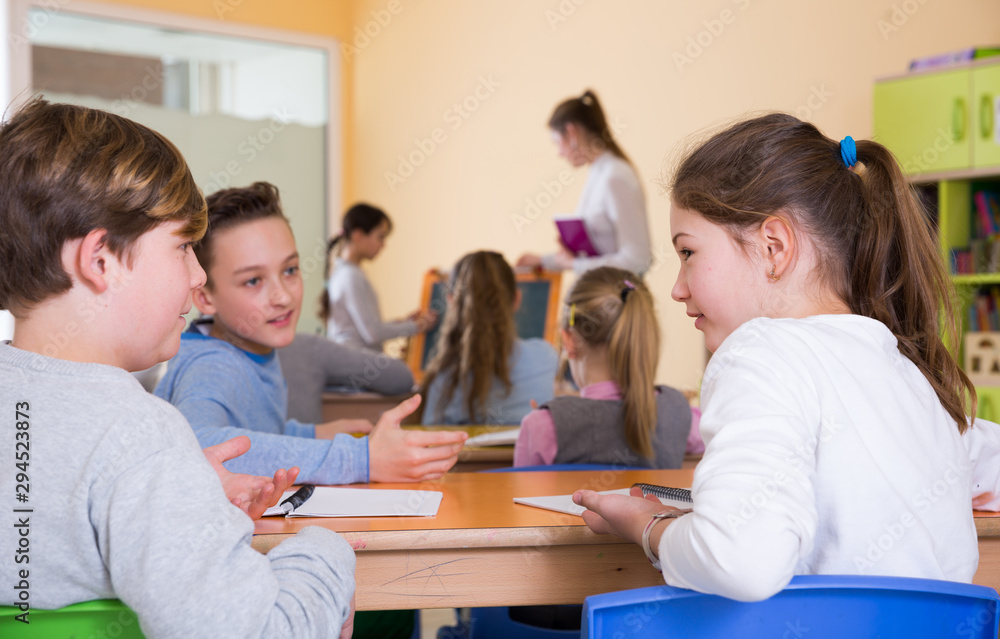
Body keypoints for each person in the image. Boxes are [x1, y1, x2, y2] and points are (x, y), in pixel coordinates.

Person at [574, 113, 999, 603]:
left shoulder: (761, 353)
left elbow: (739, 561)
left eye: (688, 253)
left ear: (773, 247)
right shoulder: (904, 369)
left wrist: (650, 527)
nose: (676, 288)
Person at [0, 99, 355, 637]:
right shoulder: (140, 435)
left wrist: (187, 495)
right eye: (184, 247)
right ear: (101, 261)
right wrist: (325, 551)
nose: (197, 276)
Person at [155, 182, 467, 484]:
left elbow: (253, 427)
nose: (283, 296)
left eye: (289, 270)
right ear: (205, 298)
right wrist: (358, 459)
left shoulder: (248, 349)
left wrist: (311, 434)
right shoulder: (212, 365)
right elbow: (202, 445)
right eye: (253, 281)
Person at [514, 266, 692, 468]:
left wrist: (547, 416)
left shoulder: (542, 426)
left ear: (569, 341)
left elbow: (521, 489)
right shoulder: (678, 410)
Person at [517, 89, 651, 275]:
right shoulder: (597, 173)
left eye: (557, 143)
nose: (559, 153)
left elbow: (639, 259)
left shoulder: (615, 176)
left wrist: (574, 264)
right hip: (599, 288)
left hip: (615, 291)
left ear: (571, 132)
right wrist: (543, 260)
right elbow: (596, 254)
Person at [419, 251, 559, 425]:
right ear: (516, 299)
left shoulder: (444, 379)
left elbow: (430, 437)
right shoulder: (546, 357)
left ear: (452, 302)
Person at [322, 203, 436, 351]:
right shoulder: (350, 276)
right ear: (358, 235)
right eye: (380, 237)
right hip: (355, 360)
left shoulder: (344, 273)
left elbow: (366, 328)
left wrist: (404, 323)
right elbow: (373, 333)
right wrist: (418, 326)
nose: (383, 245)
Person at [278, 332, 415, 424]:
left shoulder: (308, 349)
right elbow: (401, 376)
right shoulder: (306, 348)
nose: (283, 299)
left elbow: (400, 376)